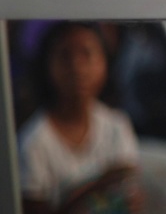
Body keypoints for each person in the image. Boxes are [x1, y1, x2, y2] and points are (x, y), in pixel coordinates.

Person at [19, 21, 143, 214]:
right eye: (65, 56)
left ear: (104, 62)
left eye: (87, 54)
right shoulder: (33, 142)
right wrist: (101, 184)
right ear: (47, 65)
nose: (77, 67)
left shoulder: (117, 126)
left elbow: (130, 199)